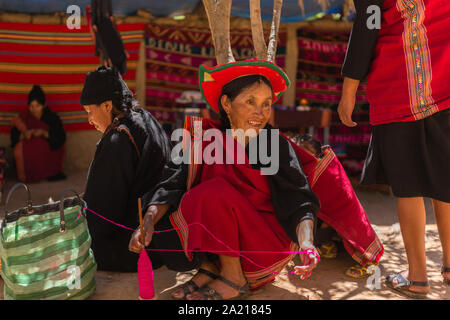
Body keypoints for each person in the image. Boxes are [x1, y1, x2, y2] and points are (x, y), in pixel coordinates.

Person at [129, 60, 383, 300]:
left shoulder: (274, 145)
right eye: (250, 102)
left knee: (214, 192)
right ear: (226, 104)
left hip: (262, 247)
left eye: (266, 104)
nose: (259, 112)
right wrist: (147, 221)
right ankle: (209, 268)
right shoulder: (203, 139)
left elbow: (300, 200)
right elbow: (171, 184)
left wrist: (306, 243)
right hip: (220, 241)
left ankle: (233, 279)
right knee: (162, 221)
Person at [339, 0, 450, 298]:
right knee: (445, 179)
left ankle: (417, 278)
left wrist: (348, 92)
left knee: (408, 186)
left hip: (398, 90)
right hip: (445, 86)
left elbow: (367, 27)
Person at [80, 66, 171, 272]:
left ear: (106, 105)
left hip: (136, 244)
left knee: (69, 247)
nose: (89, 120)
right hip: (161, 235)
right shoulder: (145, 117)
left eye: (89, 112)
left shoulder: (118, 140)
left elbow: (103, 214)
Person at [10, 85, 66, 183]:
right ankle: (27, 176)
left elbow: (60, 138)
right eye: (31, 106)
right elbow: (14, 137)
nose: (34, 109)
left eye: (37, 106)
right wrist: (25, 135)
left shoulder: (52, 118)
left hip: (48, 158)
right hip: (28, 161)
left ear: (44, 105)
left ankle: (47, 174)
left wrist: (44, 133)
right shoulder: (24, 118)